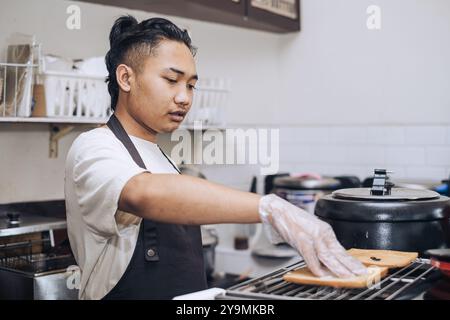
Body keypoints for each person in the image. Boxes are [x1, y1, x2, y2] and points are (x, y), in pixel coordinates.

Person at [64, 15, 367, 300]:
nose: (184, 97)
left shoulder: (158, 155)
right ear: (126, 78)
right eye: (172, 80)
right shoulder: (94, 147)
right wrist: (271, 208)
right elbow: (143, 194)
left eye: (191, 85)